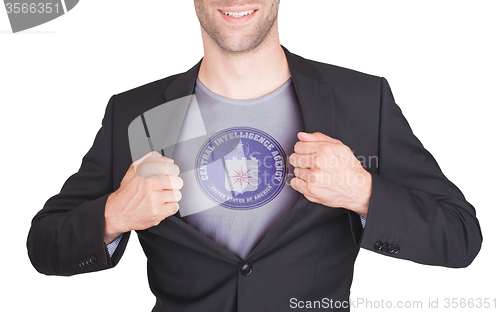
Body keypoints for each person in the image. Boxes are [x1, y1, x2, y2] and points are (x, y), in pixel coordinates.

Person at [27, 1, 482, 311]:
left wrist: (362, 191)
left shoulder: (361, 101)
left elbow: (460, 236)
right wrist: (114, 214)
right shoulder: (139, 114)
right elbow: (44, 245)